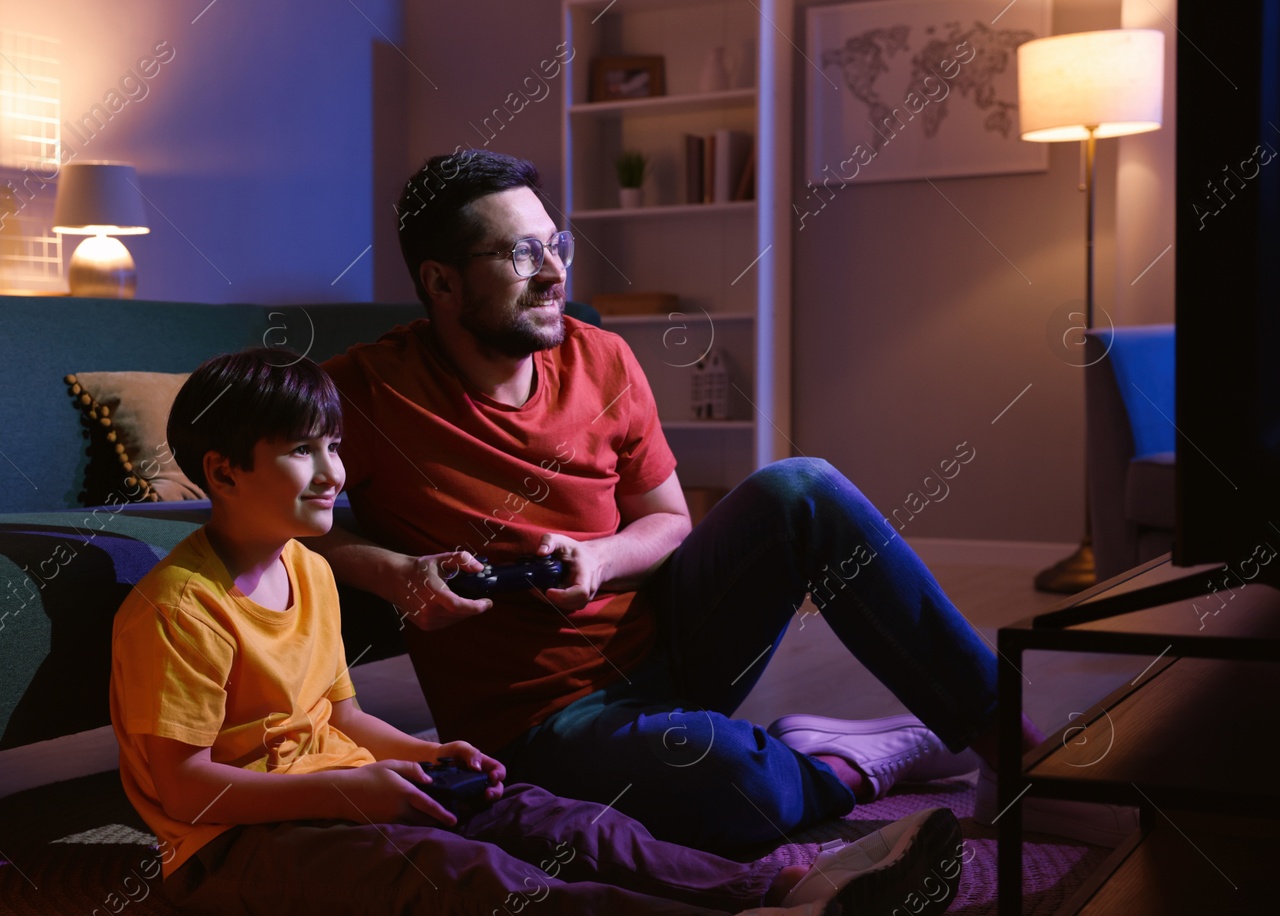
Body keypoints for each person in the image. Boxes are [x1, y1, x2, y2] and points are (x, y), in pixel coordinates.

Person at [316, 149, 1134, 852]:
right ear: (443, 284)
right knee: (740, 784)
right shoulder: (366, 393)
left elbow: (670, 519)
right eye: (522, 253)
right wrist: (390, 572)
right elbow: (248, 512)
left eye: (555, 243)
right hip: (541, 721)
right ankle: (845, 762)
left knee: (800, 485)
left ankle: (1017, 752)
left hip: (672, 648)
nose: (557, 269)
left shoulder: (602, 359)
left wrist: (601, 558)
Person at [108, 349, 966, 916]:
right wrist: (354, 795)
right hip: (233, 849)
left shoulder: (315, 572)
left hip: (346, 787)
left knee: (553, 817)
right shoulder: (178, 608)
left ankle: (781, 885)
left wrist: (421, 750)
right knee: (475, 879)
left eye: (335, 445)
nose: (334, 470)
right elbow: (183, 790)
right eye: (303, 450)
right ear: (222, 471)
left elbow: (339, 711)